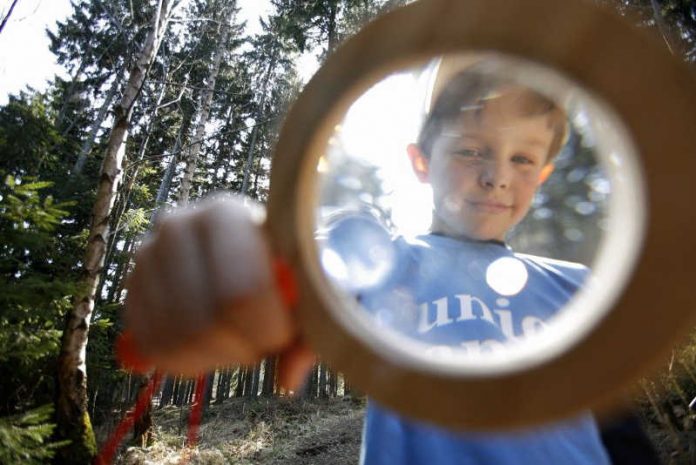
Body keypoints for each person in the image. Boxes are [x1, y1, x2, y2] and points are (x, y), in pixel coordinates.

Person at [125, 59, 612, 464]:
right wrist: (234, 258)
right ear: (421, 162)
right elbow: (293, 274)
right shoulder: (383, 260)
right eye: (470, 150)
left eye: (523, 159)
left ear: (543, 175)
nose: (496, 177)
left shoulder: (581, 286)